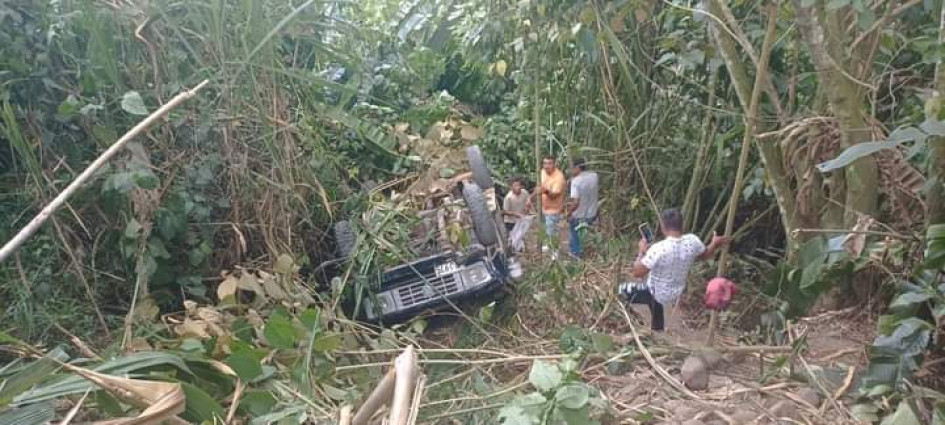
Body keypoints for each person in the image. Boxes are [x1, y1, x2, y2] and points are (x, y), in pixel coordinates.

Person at [618, 208, 730, 331]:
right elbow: (706, 255)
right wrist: (714, 243)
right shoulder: (693, 241)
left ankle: (627, 320)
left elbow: (637, 273)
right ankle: (658, 329)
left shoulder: (659, 248)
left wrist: (641, 251)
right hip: (675, 293)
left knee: (618, 291)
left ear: (663, 226)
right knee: (656, 299)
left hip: (655, 292)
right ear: (681, 225)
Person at [566, 157, 598, 258]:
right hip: (592, 213)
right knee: (585, 232)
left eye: (572, 168)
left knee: (574, 232)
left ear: (577, 168)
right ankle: (588, 250)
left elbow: (575, 202)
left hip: (579, 215)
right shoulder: (594, 176)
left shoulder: (576, 182)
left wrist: (568, 212)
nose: (570, 170)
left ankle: (576, 253)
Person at [538, 155, 567, 253]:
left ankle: (555, 251)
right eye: (545, 163)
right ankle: (548, 245)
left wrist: (545, 191)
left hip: (553, 209)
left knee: (552, 231)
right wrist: (530, 198)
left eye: (549, 163)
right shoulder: (542, 172)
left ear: (554, 164)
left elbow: (554, 195)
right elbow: (539, 187)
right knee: (546, 229)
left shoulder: (559, 177)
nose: (546, 166)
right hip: (543, 207)